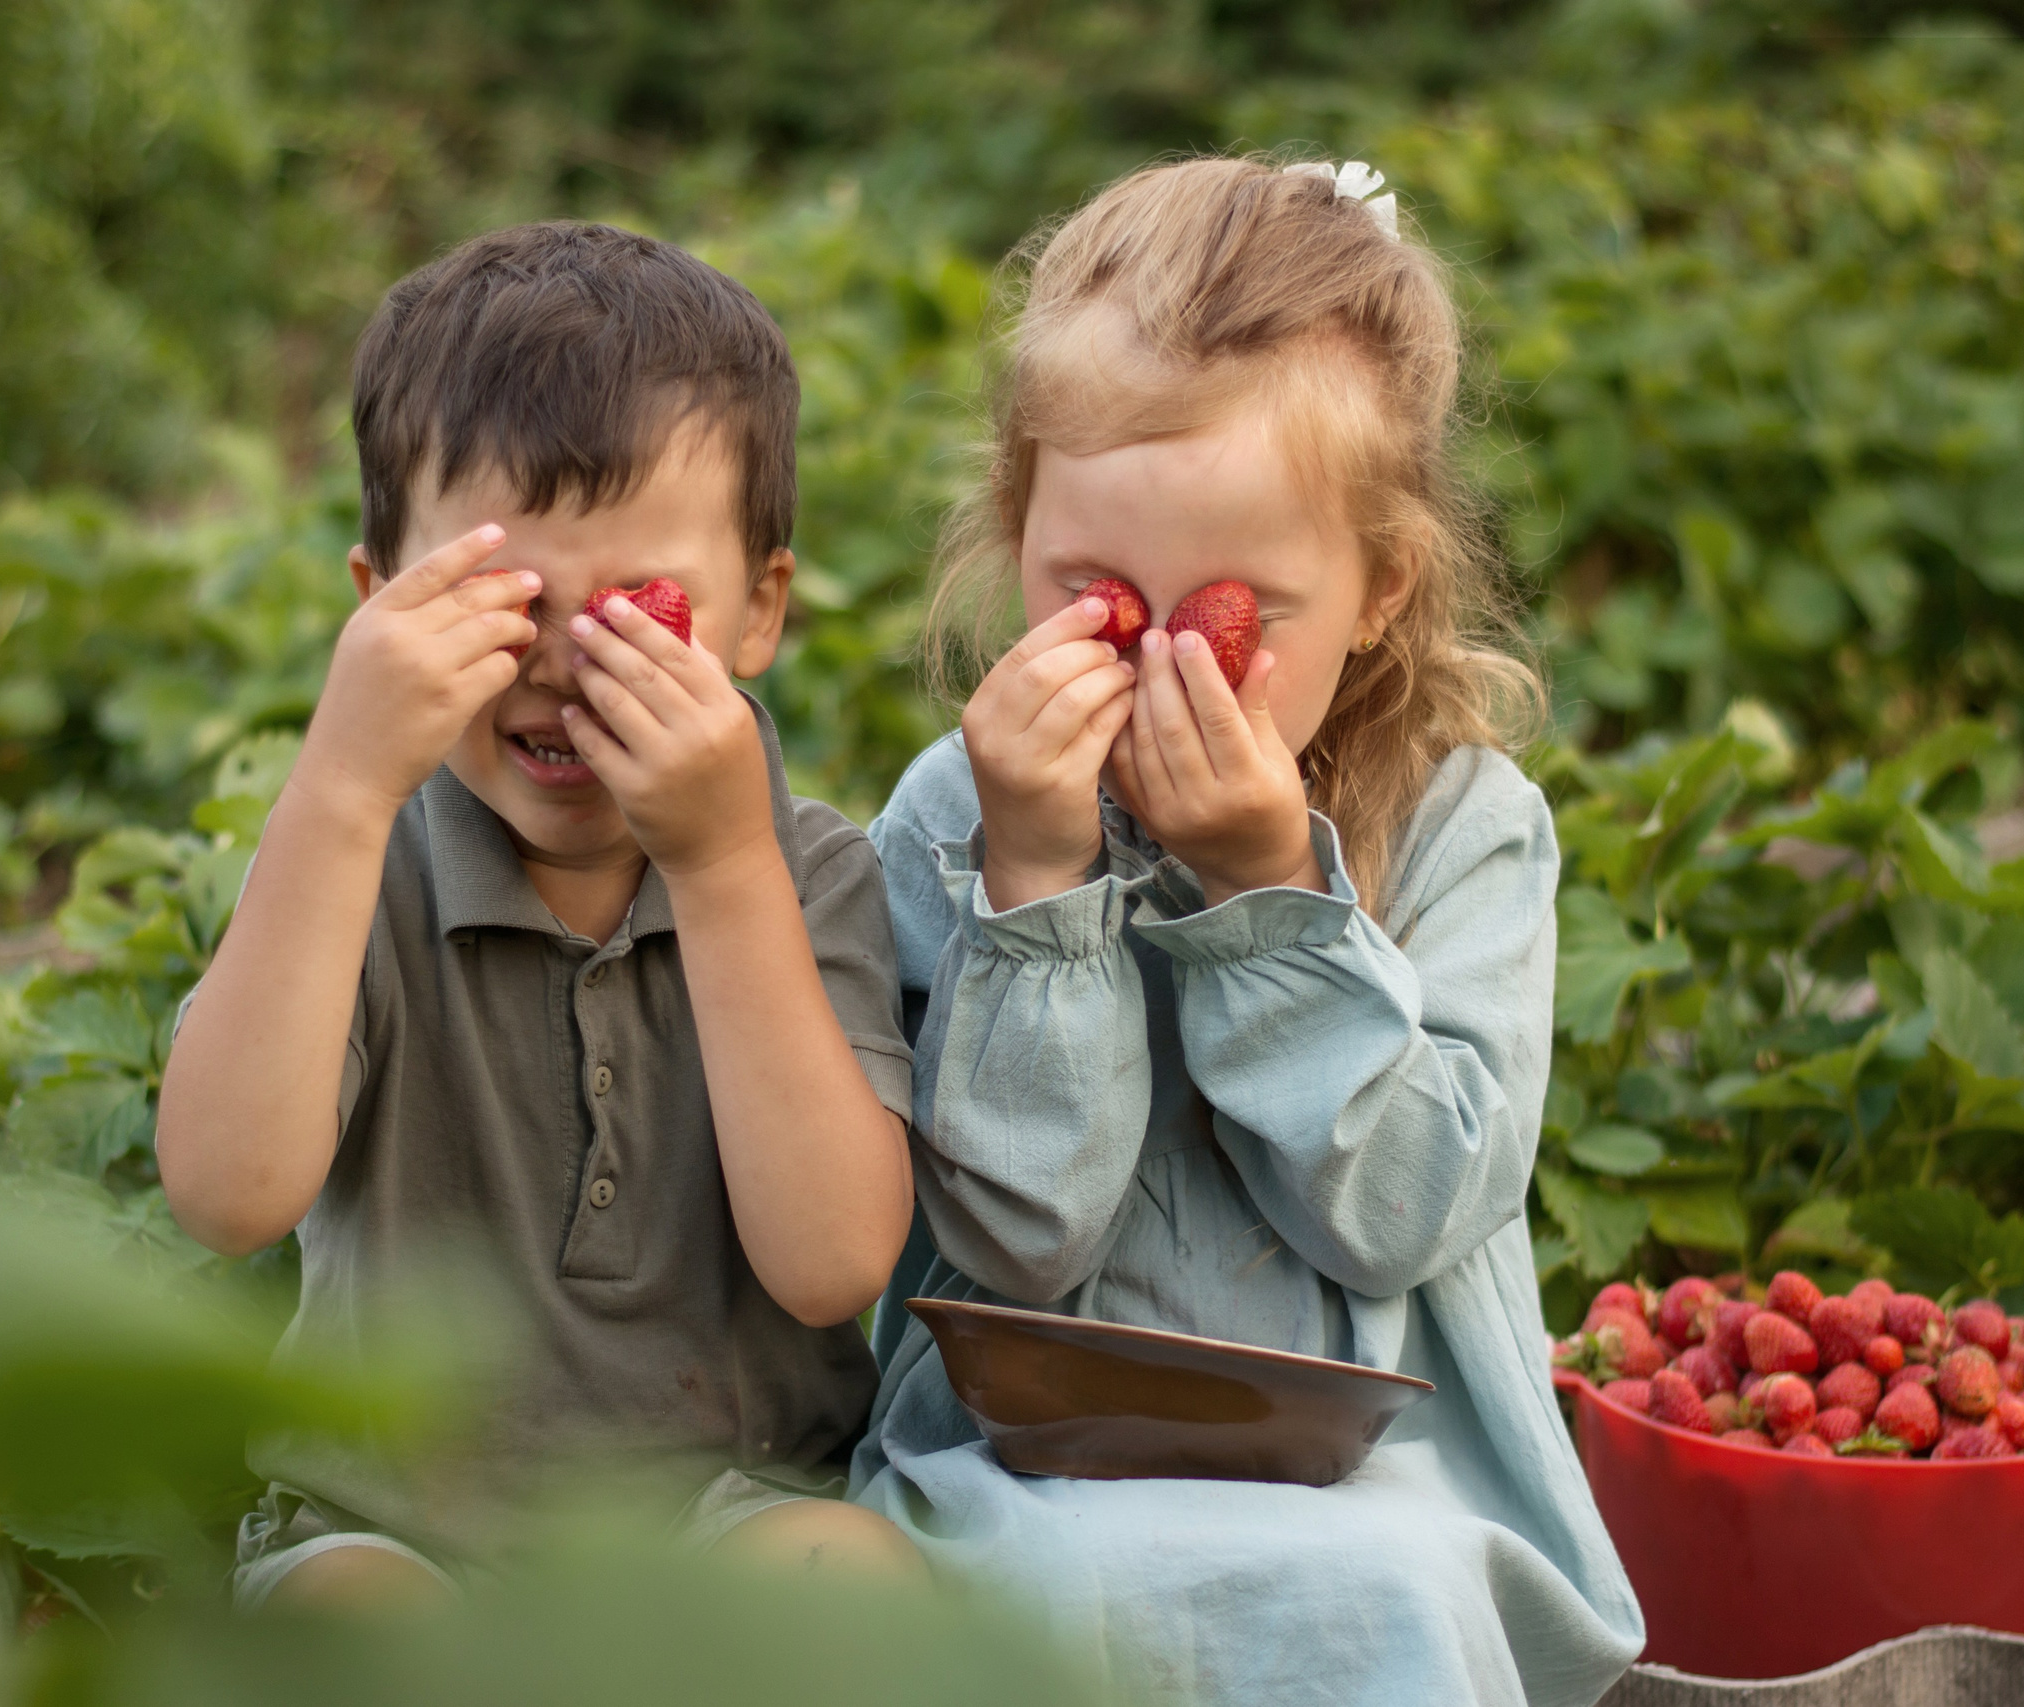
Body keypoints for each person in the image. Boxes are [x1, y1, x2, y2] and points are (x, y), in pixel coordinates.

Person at [852, 157, 1644, 1703]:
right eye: (1091, 592)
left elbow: (1406, 1213)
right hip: (1022, 1467)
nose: (1161, 664)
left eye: (1238, 614)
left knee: (1387, 1596)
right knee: (1032, 1598)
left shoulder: (1464, 828)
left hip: (1387, 1471)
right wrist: (1038, 877)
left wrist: (1270, 899)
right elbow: (1020, 1238)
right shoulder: (959, 811)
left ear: (1378, 588)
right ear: (1016, 527)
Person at [157, 221, 922, 1610]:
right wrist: (335, 787)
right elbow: (223, 1193)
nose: (571, 667)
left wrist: (723, 866)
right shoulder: (358, 872)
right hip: (387, 1519)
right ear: (378, 604)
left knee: (855, 1581)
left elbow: (831, 1269)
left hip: (732, 1503)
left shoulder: (808, 875)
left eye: (641, 610)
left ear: (761, 613)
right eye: (505, 602)